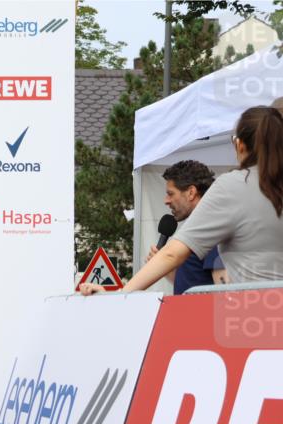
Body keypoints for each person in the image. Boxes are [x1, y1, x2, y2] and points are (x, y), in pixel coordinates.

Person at [81, 105, 283, 294]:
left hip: (255, 310)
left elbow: (173, 254)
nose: (166, 200)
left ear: (240, 145)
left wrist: (121, 295)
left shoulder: (233, 186)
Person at [146, 160, 227, 293]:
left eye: (170, 194)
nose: (166, 200)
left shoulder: (211, 228)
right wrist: (167, 268)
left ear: (191, 192)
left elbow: (225, 292)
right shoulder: (197, 228)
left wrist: (125, 292)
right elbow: (191, 282)